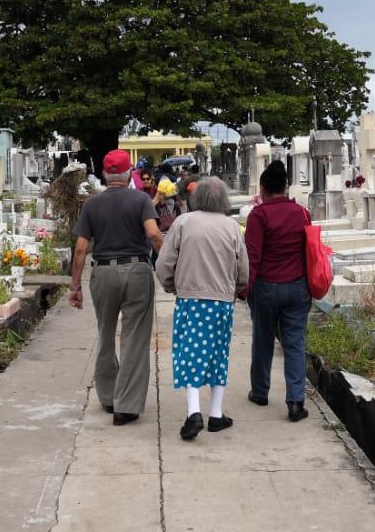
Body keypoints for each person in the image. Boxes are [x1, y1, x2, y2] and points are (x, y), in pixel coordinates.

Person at [69, 149, 164, 425]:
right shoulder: (141, 199)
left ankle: (109, 397)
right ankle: (127, 405)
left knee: (106, 332)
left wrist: (76, 286)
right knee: (135, 337)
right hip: (136, 270)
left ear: (105, 174)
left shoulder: (91, 205)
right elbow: (154, 234)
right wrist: (171, 265)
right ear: (128, 174)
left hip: (103, 272)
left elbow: (81, 249)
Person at [156, 177, 249, 440]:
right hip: (222, 302)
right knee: (218, 355)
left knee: (190, 354)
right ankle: (216, 414)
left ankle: (194, 413)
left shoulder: (183, 222)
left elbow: (164, 263)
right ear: (223, 200)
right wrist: (234, 289)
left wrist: (172, 285)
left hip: (191, 300)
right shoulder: (232, 227)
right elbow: (243, 270)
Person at [243, 160, 312, 421]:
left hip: (266, 288)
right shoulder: (302, 213)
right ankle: (295, 401)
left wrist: (244, 290)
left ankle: (260, 391)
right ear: (285, 186)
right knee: (294, 343)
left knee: (263, 339)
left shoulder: (258, 216)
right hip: (297, 286)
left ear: (263, 188)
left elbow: (253, 257)